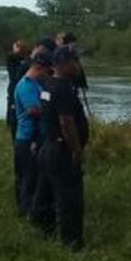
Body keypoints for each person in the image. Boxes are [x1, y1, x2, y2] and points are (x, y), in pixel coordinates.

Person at [32, 45, 90, 250]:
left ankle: (44, 235)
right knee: (70, 200)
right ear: (64, 64)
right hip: (61, 151)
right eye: (75, 61)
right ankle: (71, 245)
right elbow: (66, 122)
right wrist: (76, 150)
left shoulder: (49, 85)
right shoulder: (63, 88)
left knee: (46, 194)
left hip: (47, 148)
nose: (78, 65)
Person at [11, 52, 51, 217]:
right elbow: (33, 110)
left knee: (33, 177)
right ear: (39, 68)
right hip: (28, 139)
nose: (48, 75)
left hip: (34, 137)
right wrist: (52, 109)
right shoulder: (26, 85)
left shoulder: (37, 84)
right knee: (28, 178)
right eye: (47, 72)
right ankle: (26, 212)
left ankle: (29, 209)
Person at [4, 40, 30, 140]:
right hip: (14, 85)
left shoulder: (24, 59)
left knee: (15, 104)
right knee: (11, 104)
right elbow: (11, 57)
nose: (13, 48)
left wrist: (18, 50)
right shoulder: (13, 59)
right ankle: (10, 124)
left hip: (18, 85)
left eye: (15, 46)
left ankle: (15, 123)